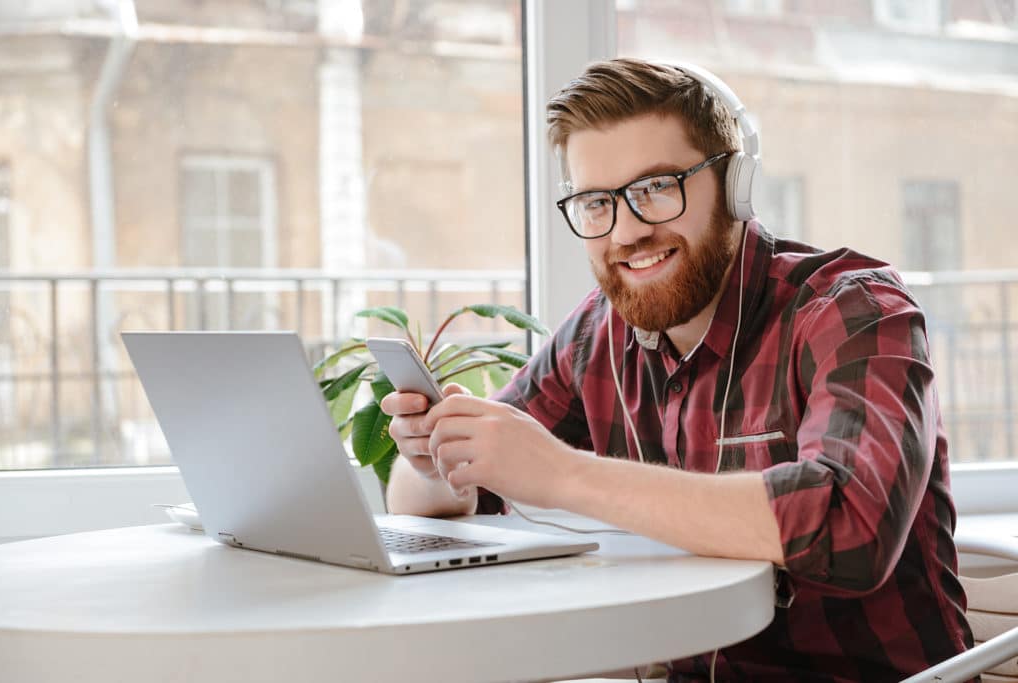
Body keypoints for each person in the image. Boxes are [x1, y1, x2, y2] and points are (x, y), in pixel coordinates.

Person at [380, 58, 973, 682]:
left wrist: (560, 474)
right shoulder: (595, 335)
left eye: (656, 187)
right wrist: (438, 460)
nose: (628, 230)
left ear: (735, 185)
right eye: (595, 201)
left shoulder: (853, 309)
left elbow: (851, 525)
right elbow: (431, 502)